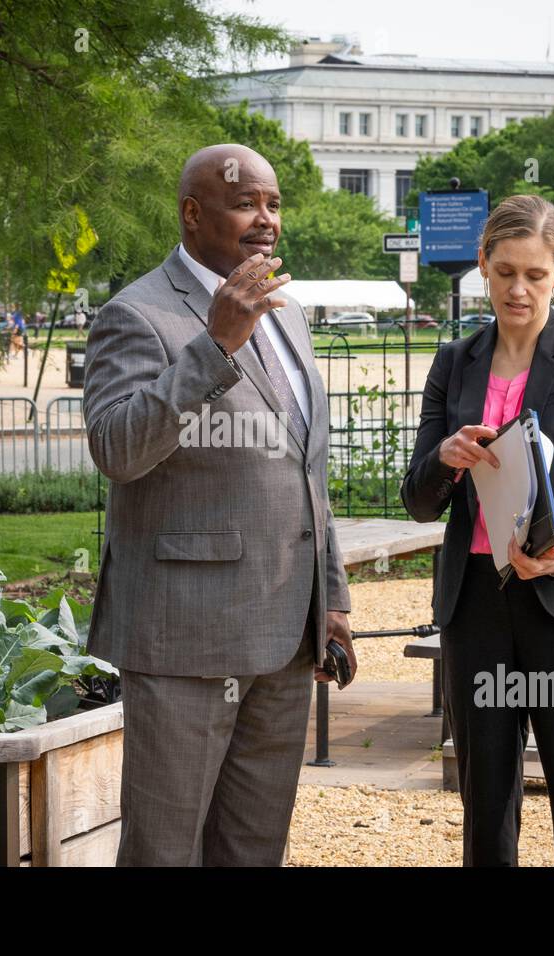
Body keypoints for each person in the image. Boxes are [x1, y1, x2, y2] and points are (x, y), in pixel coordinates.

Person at [83, 144, 354, 867]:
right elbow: (117, 449)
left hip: (284, 640)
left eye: (272, 203)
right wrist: (215, 344)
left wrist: (331, 598)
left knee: (253, 848)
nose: (265, 219)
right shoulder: (135, 314)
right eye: (245, 204)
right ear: (193, 214)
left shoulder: (288, 313)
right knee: (165, 851)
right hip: (185, 641)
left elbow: (308, 471)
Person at [401, 194, 554, 867]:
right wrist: (445, 460)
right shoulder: (454, 363)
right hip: (475, 606)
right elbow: (419, 500)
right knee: (486, 803)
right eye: (505, 272)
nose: (519, 289)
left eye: (536, 274)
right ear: (482, 266)